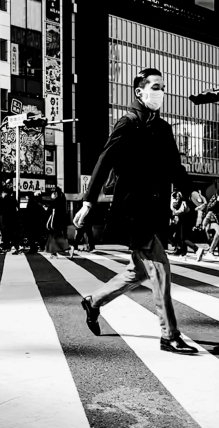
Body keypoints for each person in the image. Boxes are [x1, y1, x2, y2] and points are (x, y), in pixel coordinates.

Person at [74, 67, 196, 354]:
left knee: (137, 272)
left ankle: (93, 302)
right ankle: (169, 335)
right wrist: (88, 201)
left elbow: (174, 168)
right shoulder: (127, 123)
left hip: (156, 211)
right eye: (154, 87)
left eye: (162, 87)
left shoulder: (163, 128)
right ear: (139, 92)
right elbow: (104, 161)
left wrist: (190, 190)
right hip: (134, 211)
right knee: (160, 269)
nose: (160, 93)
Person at [45, 187, 69, 257]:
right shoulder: (62, 200)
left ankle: (65, 247)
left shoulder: (56, 202)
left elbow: (51, 211)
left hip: (55, 222)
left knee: (55, 236)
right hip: (60, 222)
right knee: (55, 236)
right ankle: (54, 251)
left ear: (55, 193)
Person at [169, 191, 189, 256]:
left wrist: (172, 199)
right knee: (176, 235)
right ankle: (179, 248)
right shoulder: (180, 201)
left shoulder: (178, 202)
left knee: (180, 236)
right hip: (178, 219)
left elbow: (174, 207)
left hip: (179, 219)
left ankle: (181, 250)